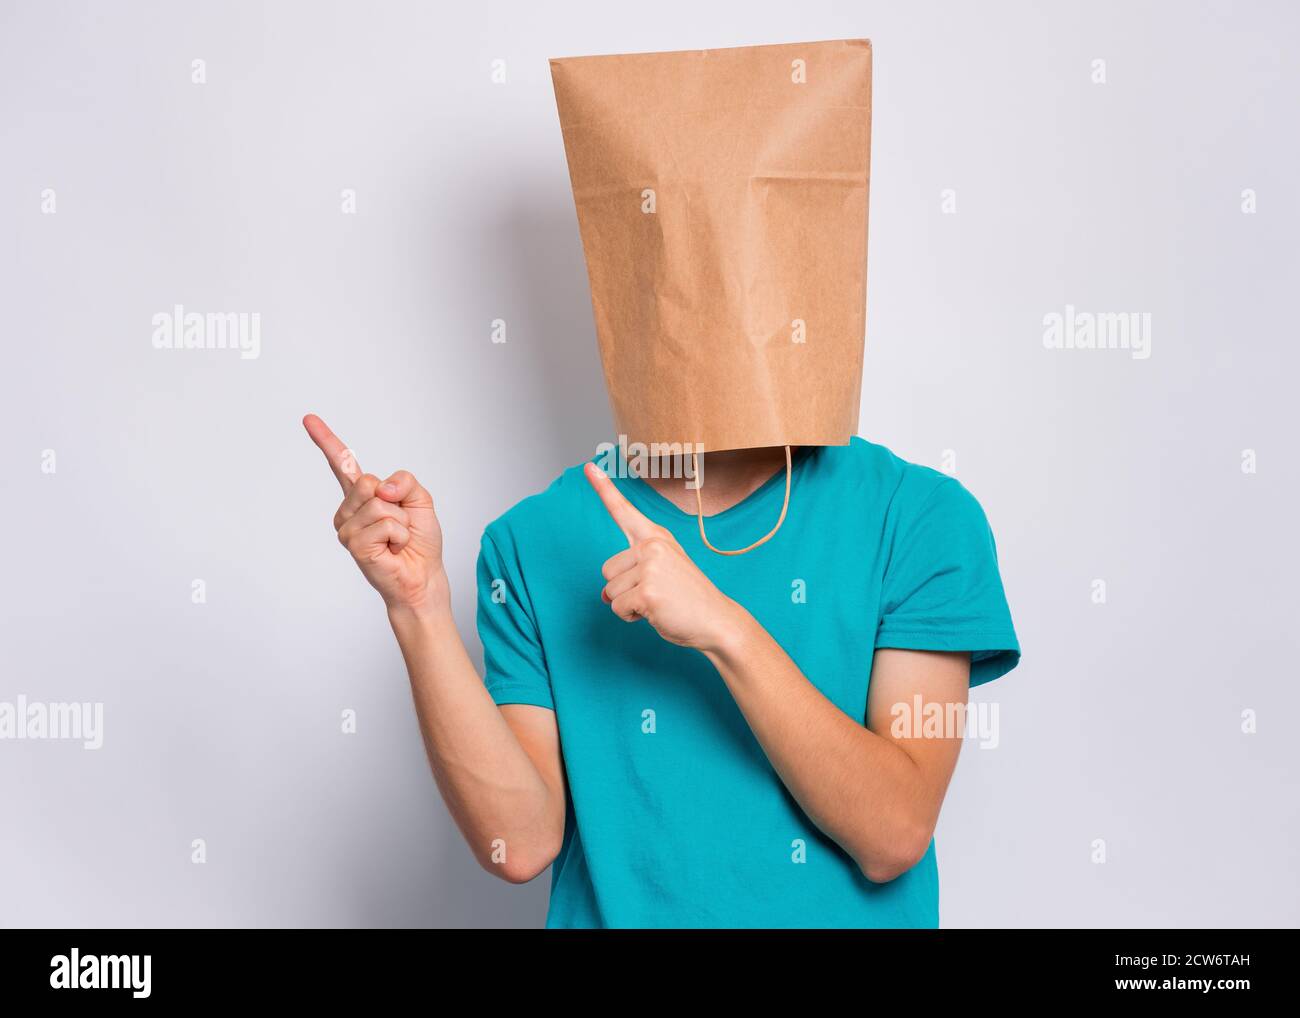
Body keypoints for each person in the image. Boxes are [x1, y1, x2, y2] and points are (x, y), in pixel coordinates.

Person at [303, 413, 1019, 928]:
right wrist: (419, 608)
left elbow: (894, 834)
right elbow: (517, 843)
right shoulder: (531, 540)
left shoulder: (921, 517)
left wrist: (723, 627)